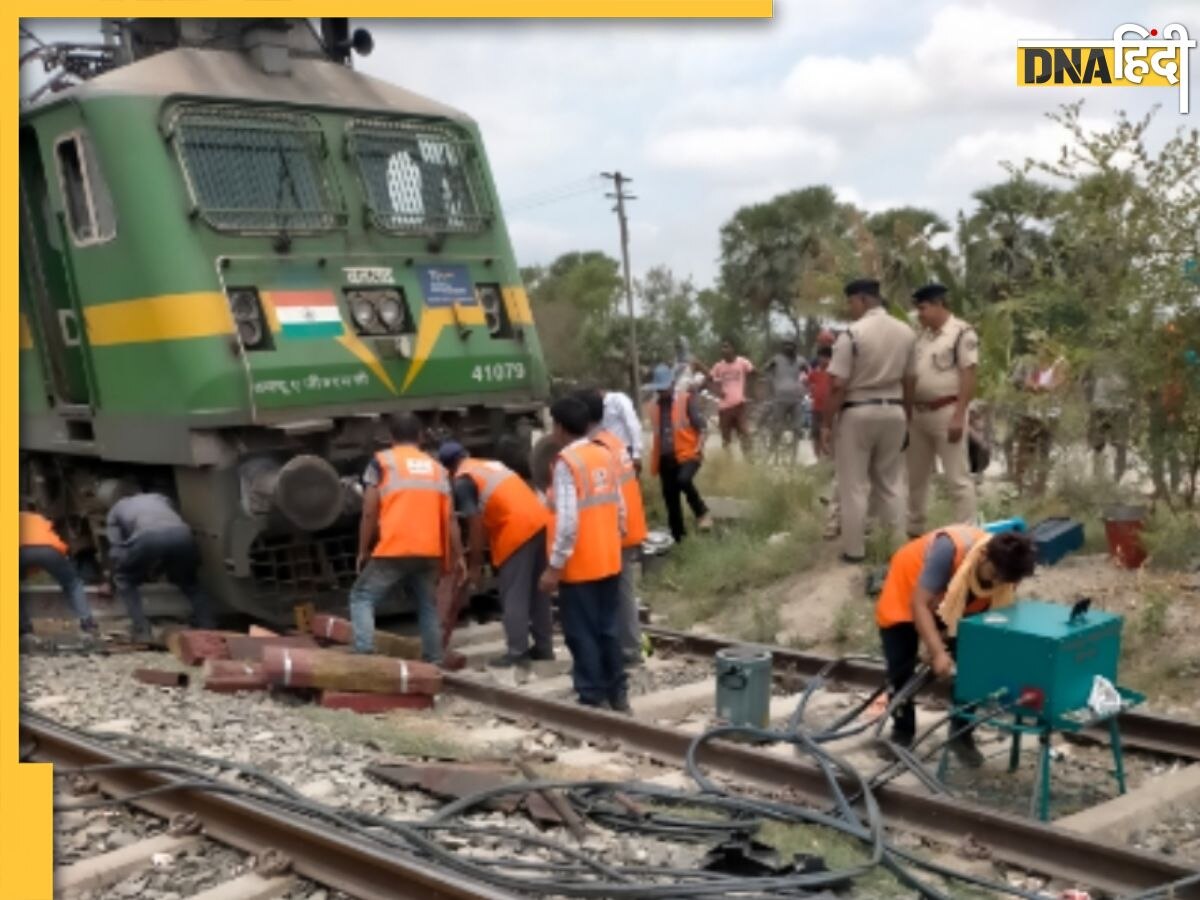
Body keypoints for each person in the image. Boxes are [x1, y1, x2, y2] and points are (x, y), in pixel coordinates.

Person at [875, 527, 1037, 766]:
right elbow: (919, 605)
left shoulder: (1008, 571)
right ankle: (902, 733)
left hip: (955, 602)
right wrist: (938, 651)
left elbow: (993, 620)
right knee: (901, 668)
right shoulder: (947, 551)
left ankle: (961, 735)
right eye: (994, 574)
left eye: (1004, 580)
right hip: (908, 592)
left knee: (972, 667)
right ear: (983, 556)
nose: (995, 583)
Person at [538, 397, 629, 711]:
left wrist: (554, 567)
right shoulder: (603, 454)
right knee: (608, 630)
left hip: (580, 566)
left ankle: (592, 695)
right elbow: (620, 508)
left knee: (581, 633)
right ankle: (618, 694)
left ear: (561, 428)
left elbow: (567, 523)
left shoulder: (567, 463)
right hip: (609, 560)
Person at [350, 412, 464, 663]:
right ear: (421, 437)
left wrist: (363, 549)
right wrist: (458, 556)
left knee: (362, 596)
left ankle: (364, 654)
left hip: (395, 547)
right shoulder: (437, 469)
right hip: (430, 550)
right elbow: (451, 518)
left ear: (390, 438)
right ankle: (434, 660)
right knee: (427, 605)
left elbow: (369, 511)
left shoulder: (381, 463)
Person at [822, 279, 916, 563]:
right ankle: (896, 547)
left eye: (851, 302)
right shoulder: (906, 333)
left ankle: (854, 550)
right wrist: (906, 416)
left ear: (862, 300)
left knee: (854, 485)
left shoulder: (852, 334)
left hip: (858, 411)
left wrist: (827, 423)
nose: (850, 309)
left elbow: (838, 384)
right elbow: (910, 380)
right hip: (895, 411)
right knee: (890, 483)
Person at [439, 441, 553, 669]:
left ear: (448, 469)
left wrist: (475, 566)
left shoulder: (463, 481)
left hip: (517, 530)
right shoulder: (490, 465)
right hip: (540, 521)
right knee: (537, 593)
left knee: (514, 594)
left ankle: (517, 652)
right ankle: (544, 647)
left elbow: (475, 524)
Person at [578, 388, 650, 666]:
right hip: (629, 524)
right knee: (623, 593)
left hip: (618, 529)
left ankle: (628, 652)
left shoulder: (599, 447)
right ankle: (627, 648)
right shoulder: (614, 441)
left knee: (619, 595)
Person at [904, 283, 979, 537]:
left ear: (938, 305)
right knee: (915, 478)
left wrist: (959, 415)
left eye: (923, 308)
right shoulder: (922, 337)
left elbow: (968, 375)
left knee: (957, 478)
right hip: (918, 415)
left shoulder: (961, 333)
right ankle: (914, 530)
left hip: (947, 412)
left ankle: (966, 534)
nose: (920, 314)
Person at [106, 490, 215, 641]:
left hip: (148, 538)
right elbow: (170, 527)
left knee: (125, 580)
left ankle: (142, 631)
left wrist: (113, 579)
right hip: (182, 534)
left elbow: (116, 550)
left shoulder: (117, 508)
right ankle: (208, 627)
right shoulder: (160, 498)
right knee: (191, 583)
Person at [648, 363, 711, 541]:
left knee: (683, 480)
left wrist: (699, 446)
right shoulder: (654, 407)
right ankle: (679, 539)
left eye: (664, 388)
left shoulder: (686, 400)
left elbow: (703, 427)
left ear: (672, 384)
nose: (661, 393)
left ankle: (702, 511)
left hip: (688, 455)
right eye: (658, 390)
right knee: (671, 500)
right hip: (666, 459)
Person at [19, 510, 96, 636]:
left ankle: (23, 629)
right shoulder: (36, 517)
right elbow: (52, 537)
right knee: (73, 583)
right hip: (50, 549)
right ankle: (87, 623)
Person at [1013, 344, 1067, 496]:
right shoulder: (1033, 365)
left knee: (1044, 452)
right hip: (1031, 413)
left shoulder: (1060, 364)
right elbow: (1028, 384)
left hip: (1050, 415)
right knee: (1024, 451)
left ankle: (1039, 489)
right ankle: (1019, 487)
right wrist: (1037, 387)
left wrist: (1038, 387)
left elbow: (1056, 385)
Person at [1085, 357, 1131, 483]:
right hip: (1101, 408)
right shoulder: (1095, 362)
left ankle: (1117, 479)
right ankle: (1098, 479)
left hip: (1119, 410)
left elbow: (1134, 388)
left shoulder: (1127, 362)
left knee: (1120, 445)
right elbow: (1085, 383)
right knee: (1098, 445)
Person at [761, 338, 809, 456]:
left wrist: (804, 384)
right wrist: (772, 382)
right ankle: (772, 451)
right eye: (786, 345)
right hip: (780, 398)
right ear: (782, 347)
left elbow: (809, 373)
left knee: (797, 429)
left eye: (791, 345)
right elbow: (765, 369)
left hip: (796, 399)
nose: (789, 347)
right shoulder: (776, 359)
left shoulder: (801, 360)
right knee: (777, 428)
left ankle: (793, 456)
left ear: (795, 347)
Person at [709, 339, 755, 456]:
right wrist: (717, 391)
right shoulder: (718, 366)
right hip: (724, 408)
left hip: (739, 405)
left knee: (745, 434)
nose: (723, 350)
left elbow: (753, 373)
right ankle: (728, 465)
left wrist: (750, 391)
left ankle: (750, 461)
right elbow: (709, 380)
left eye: (726, 347)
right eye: (722, 347)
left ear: (733, 349)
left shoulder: (742, 362)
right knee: (726, 439)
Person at [600, 388, 643, 473]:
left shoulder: (618, 399)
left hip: (625, 450)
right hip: (609, 452)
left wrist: (636, 454)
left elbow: (632, 424)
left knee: (629, 481)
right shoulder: (597, 406)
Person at [808, 346, 833, 459]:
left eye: (826, 358)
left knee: (828, 434)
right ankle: (818, 458)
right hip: (816, 408)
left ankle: (829, 458)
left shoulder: (833, 373)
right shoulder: (814, 373)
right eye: (821, 357)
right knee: (815, 434)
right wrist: (811, 390)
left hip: (829, 410)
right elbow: (808, 383)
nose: (823, 360)